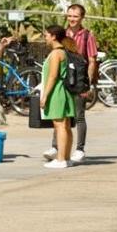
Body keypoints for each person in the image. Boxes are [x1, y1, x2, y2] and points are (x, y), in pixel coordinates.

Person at [45, 3, 97, 163]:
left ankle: (80, 149)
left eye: (75, 16)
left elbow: (92, 60)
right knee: (60, 115)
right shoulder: (62, 33)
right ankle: (56, 147)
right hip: (64, 80)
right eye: (69, 16)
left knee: (79, 116)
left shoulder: (88, 36)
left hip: (78, 81)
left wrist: (87, 83)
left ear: (82, 18)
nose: (72, 19)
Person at [39, 25, 78, 169]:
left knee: (60, 125)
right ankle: (66, 157)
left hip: (57, 91)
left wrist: (45, 96)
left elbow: (53, 76)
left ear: (53, 36)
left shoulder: (56, 54)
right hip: (65, 91)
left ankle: (61, 159)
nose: (45, 37)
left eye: (46, 35)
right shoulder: (64, 51)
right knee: (66, 125)